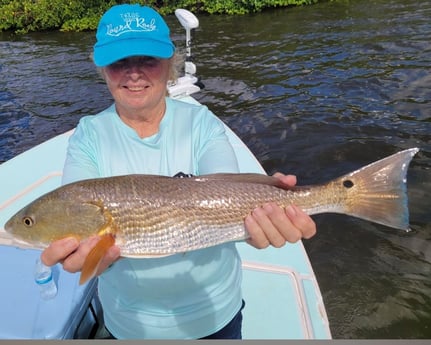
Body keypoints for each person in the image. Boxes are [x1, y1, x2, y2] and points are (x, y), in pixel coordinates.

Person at [41, 4, 316, 339]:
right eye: (119, 62)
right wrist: (93, 257)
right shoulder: (88, 135)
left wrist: (261, 228)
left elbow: (231, 199)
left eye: (147, 60)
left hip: (216, 315)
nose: (134, 73)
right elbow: (80, 223)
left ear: (169, 64)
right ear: (103, 69)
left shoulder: (203, 124)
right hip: (130, 324)